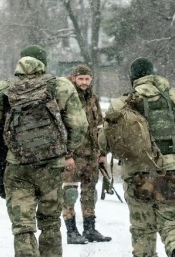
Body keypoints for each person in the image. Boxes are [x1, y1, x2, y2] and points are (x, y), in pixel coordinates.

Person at [0, 45, 88, 257]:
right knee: (50, 222)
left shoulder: (4, 88)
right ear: (43, 63)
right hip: (51, 165)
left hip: (17, 166)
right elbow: (79, 125)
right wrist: (64, 150)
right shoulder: (61, 86)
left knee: (23, 225)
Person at [102, 58, 175, 257]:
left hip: (137, 176)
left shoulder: (122, 104)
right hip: (174, 172)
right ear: (154, 74)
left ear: (133, 79)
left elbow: (104, 142)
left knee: (142, 229)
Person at [62, 64, 111, 244]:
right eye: (80, 78)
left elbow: (100, 126)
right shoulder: (66, 97)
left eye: (87, 79)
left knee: (90, 192)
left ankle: (89, 229)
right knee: (70, 193)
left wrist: (103, 152)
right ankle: (71, 231)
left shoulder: (93, 98)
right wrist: (67, 155)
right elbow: (61, 128)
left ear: (91, 80)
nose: (84, 82)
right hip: (73, 155)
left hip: (92, 154)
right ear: (73, 78)